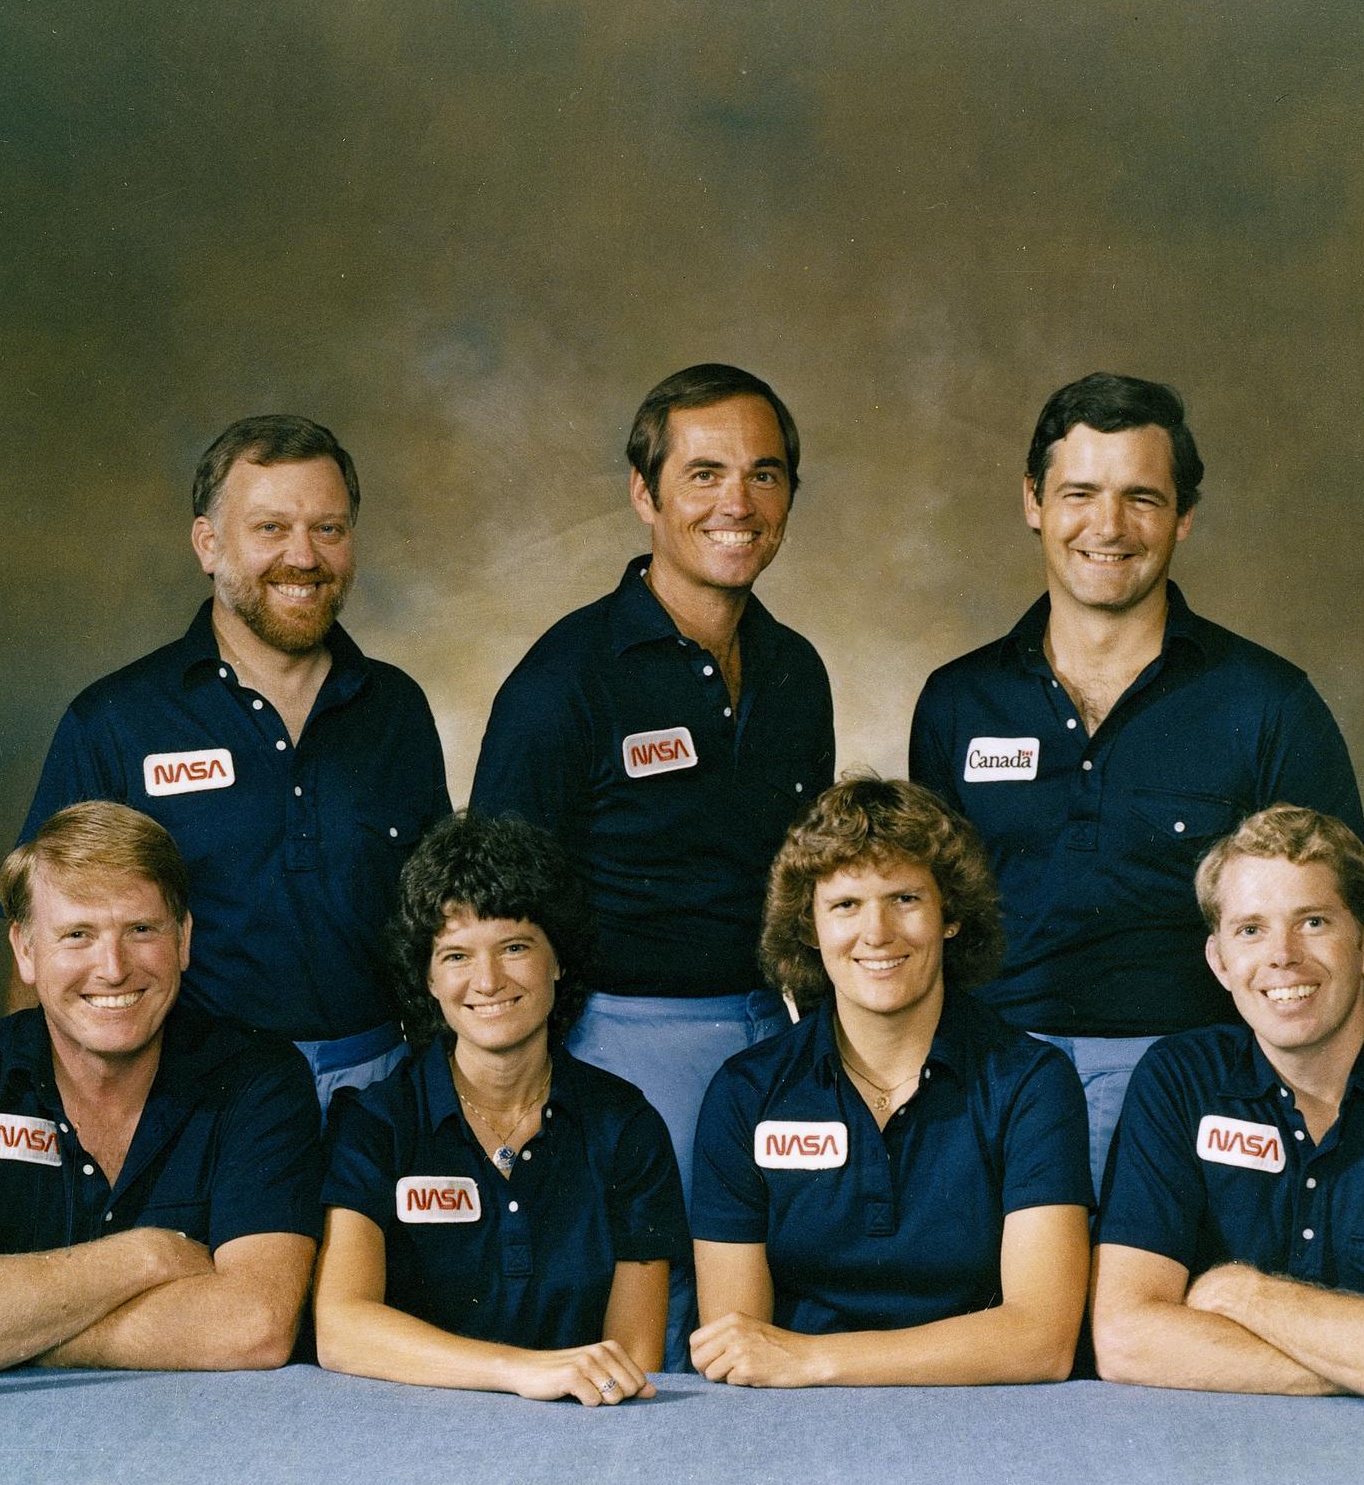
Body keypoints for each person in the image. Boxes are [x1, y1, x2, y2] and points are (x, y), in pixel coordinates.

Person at [910, 372, 1364, 1189]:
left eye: (1142, 498)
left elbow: (1333, 925)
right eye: (1079, 492)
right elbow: (924, 920)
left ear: (1183, 517)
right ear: (1032, 502)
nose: (1108, 527)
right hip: (991, 1084)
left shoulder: (1267, 704)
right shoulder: (957, 700)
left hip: (1200, 1082)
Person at [468, 363, 834, 1358]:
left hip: (773, 1036)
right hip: (615, 1042)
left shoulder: (797, 671)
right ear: (645, 493)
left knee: (764, 1313)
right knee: (649, 1315)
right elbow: (493, 899)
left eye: (765, 474)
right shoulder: (565, 679)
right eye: (705, 472)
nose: (738, 502)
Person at [10, 414, 451, 1110]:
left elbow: (441, 918)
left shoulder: (395, 709)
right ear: (208, 544)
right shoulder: (118, 721)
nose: (303, 557)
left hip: (383, 1088)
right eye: (271, 528)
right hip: (195, 1096)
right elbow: (43, 944)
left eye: (328, 529)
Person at [0, 802, 322, 1374]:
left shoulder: (259, 1082)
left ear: (183, 939)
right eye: (77, 934)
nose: (111, 968)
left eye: (141, 930)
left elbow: (254, 1329)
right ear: (26, 950)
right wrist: (144, 1255)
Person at [1090, 805, 1364, 1414]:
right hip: (1205, 1455)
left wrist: (1239, 1294)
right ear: (1219, 962)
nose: (1282, 956)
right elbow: (1125, 1341)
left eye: (1313, 921)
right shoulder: (1178, 1082)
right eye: (1250, 930)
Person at [690, 777, 1090, 1387]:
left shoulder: (1032, 1082)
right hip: (799, 1421)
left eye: (904, 898)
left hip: (984, 1410)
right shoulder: (746, 1092)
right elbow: (737, 1346)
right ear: (809, 925)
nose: (876, 933)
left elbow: (1040, 1340)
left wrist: (815, 1359)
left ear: (950, 916)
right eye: (845, 905)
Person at [313, 813, 687, 1405]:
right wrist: (521, 1372)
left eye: (514, 947)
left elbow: (631, 1360)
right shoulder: (376, 1123)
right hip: (403, 1433)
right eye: (457, 956)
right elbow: (340, 1328)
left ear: (558, 961)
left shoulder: (627, 1126)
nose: (487, 980)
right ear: (428, 977)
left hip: (581, 1429)